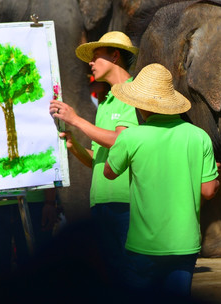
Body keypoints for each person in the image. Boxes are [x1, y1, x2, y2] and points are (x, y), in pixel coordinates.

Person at [103, 63, 220, 299]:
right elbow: (208, 190)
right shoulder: (199, 137)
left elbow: (109, 173)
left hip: (142, 247)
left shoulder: (130, 137)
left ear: (140, 104)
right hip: (184, 245)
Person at [49, 31, 139, 284]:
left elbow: (122, 141)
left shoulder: (133, 93)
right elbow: (98, 159)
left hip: (125, 203)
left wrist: (76, 120)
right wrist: (74, 145)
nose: (90, 62)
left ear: (115, 55)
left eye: (96, 56)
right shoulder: (108, 100)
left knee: (127, 277)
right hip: (101, 203)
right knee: (111, 278)